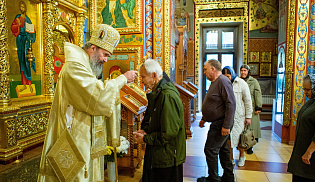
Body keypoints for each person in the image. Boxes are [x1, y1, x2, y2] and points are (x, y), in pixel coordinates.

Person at [37, 24, 138, 181]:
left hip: (85, 135)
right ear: (93, 48)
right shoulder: (74, 67)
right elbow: (97, 95)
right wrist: (123, 78)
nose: (106, 60)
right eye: (105, 54)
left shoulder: (85, 66)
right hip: (74, 136)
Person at [133, 59, 186, 182]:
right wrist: (145, 131)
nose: (142, 81)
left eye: (143, 77)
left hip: (167, 158)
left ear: (154, 75)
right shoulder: (158, 92)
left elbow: (168, 133)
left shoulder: (166, 96)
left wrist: (145, 139)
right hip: (161, 154)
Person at [198, 59, 236, 182]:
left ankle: (213, 179)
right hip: (218, 122)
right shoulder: (215, 82)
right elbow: (215, 103)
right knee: (223, 150)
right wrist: (204, 118)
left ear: (213, 69)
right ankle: (228, 177)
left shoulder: (223, 81)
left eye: (205, 69)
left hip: (221, 123)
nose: (204, 72)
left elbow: (231, 104)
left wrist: (227, 126)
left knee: (210, 150)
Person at [222, 66, 252, 167]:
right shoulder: (222, 83)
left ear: (232, 74)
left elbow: (247, 101)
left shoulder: (241, 83)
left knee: (240, 138)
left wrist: (248, 116)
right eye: (224, 76)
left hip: (239, 116)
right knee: (228, 138)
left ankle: (242, 156)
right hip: (227, 116)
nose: (227, 78)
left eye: (228, 76)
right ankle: (231, 158)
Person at [288, 74, 315, 182]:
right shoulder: (311, 101)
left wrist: (309, 151)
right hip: (302, 150)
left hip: (310, 155)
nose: (305, 92)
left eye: (307, 89)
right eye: (304, 89)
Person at [11, 1, 36, 87]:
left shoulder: (28, 19)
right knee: (21, 59)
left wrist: (31, 33)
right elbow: (13, 28)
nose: (22, 8)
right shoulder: (17, 18)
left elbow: (32, 31)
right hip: (20, 40)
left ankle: (28, 82)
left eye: (23, 7)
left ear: (26, 8)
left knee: (27, 60)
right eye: (20, 7)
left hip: (27, 41)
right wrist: (18, 25)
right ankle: (23, 83)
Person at [240, 64, 262, 154]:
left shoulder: (254, 81)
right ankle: (242, 144)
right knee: (242, 128)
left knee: (252, 128)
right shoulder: (238, 81)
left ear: (248, 72)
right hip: (241, 108)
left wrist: (258, 106)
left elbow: (258, 94)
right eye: (242, 70)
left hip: (252, 108)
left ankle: (250, 146)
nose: (243, 72)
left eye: (245, 70)